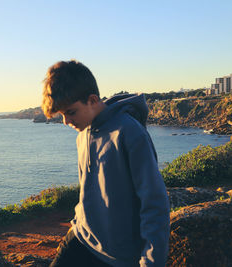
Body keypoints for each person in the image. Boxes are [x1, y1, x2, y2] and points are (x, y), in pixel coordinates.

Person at [42, 60, 170, 267]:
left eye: (71, 112)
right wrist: (78, 222)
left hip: (118, 257)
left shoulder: (129, 132)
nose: (66, 121)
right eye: (62, 114)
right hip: (81, 238)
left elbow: (154, 203)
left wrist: (151, 262)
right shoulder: (82, 134)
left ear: (92, 100)